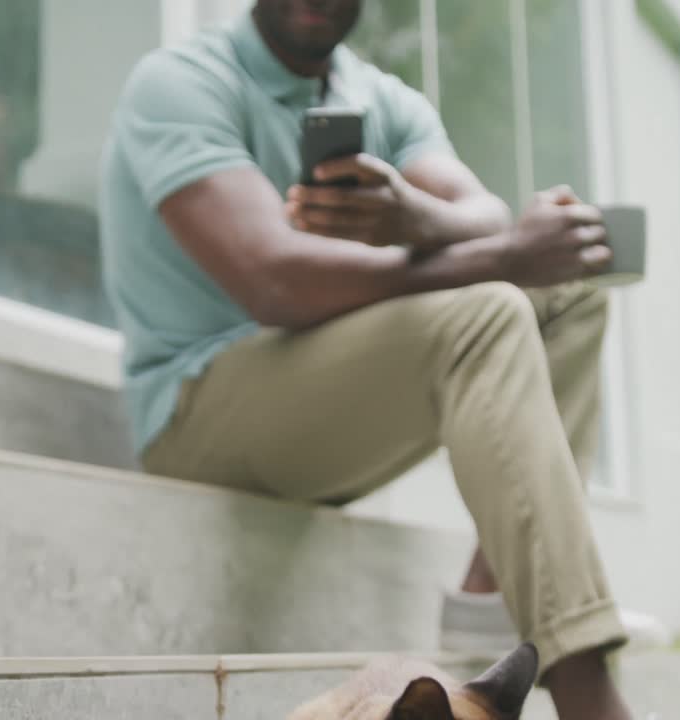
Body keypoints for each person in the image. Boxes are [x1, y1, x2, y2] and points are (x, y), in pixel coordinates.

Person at [100, 1, 636, 718]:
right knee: (491, 309)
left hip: (327, 408)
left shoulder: (383, 100)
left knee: (568, 293)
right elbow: (273, 279)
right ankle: (584, 686)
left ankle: (488, 599)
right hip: (199, 413)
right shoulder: (178, 84)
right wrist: (502, 257)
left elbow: (482, 211)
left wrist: (418, 216)